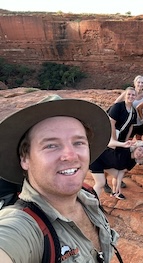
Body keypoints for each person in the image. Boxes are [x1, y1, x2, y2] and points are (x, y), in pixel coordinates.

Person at [0, 95, 118, 262]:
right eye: (51, 145)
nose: (70, 155)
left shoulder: (88, 195)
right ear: (25, 158)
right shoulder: (23, 227)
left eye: (78, 142)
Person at [102, 87, 137, 194]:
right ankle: (104, 182)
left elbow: (131, 126)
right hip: (112, 137)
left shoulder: (133, 111)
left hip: (122, 138)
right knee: (109, 159)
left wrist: (125, 141)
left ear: (135, 97)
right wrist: (114, 138)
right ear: (125, 95)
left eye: (133, 95)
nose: (130, 97)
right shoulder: (118, 107)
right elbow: (111, 122)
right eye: (129, 94)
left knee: (119, 159)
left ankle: (117, 179)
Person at [114, 75, 143, 140]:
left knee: (139, 138)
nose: (140, 84)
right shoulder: (128, 93)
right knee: (127, 138)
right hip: (128, 120)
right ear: (134, 83)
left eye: (142, 82)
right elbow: (116, 103)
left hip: (139, 122)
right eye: (138, 82)